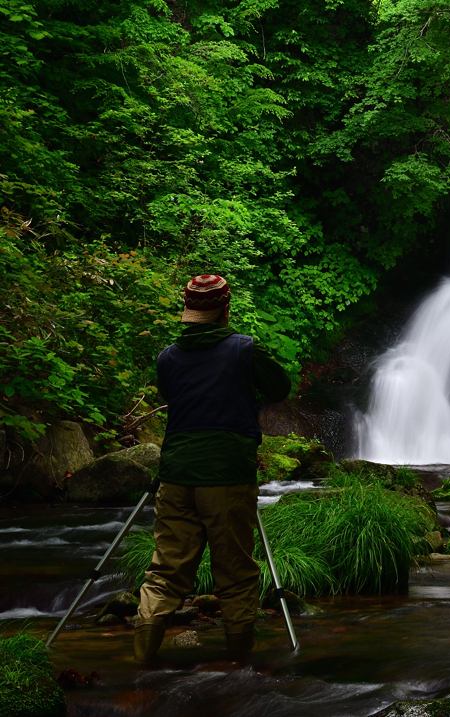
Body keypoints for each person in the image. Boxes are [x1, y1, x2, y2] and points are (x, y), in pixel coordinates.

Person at [134, 275, 291, 663]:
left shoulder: (167, 357)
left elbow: (172, 396)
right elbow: (280, 387)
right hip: (227, 476)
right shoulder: (244, 350)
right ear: (226, 309)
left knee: (166, 569)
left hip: (175, 474)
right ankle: (240, 661)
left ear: (189, 311)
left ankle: (141, 661)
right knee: (235, 567)